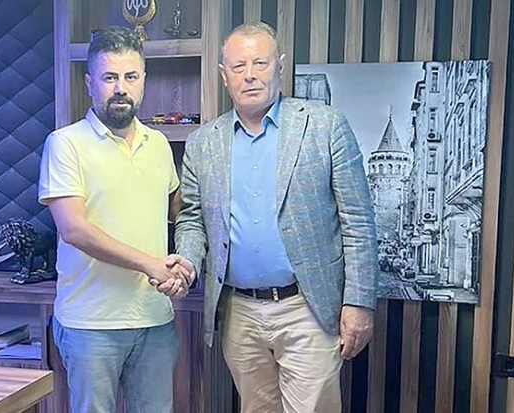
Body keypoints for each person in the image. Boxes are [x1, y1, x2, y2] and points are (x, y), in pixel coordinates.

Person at [163, 21, 380, 412]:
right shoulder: (202, 143)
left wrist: (359, 303)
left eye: (260, 63)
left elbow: (359, 222)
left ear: (279, 65)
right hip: (239, 313)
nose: (250, 74)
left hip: (307, 309)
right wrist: (188, 262)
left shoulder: (324, 125)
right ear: (224, 74)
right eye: (239, 65)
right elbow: (193, 218)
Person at [37, 26, 194, 413]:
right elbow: (74, 229)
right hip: (91, 325)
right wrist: (151, 264)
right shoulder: (65, 143)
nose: (120, 88)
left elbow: (181, 214)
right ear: (89, 83)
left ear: (143, 81)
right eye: (109, 77)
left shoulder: (158, 145)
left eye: (130, 76)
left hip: (154, 320)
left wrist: (184, 266)